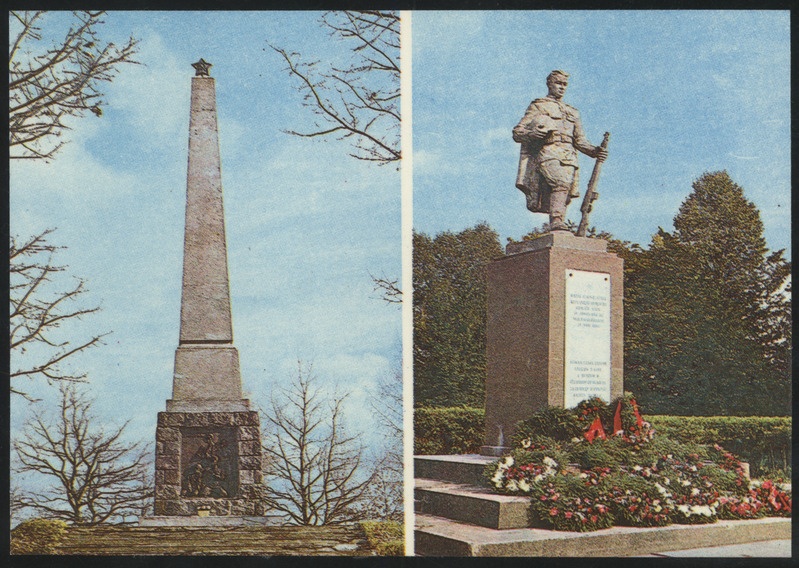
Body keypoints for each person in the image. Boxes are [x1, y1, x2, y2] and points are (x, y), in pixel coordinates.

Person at [513, 70, 608, 231]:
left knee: (564, 192)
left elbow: (579, 140)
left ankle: (558, 222)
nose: (562, 87)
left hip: (569, 156)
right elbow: (517, 132)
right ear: (549, 84)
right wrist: (532, 133)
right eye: (558, 83)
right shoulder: (539, 105)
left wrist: (595, 151)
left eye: (565, 84)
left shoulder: (573, 112)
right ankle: (556, 220)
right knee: (560, 183)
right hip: (549, 151)